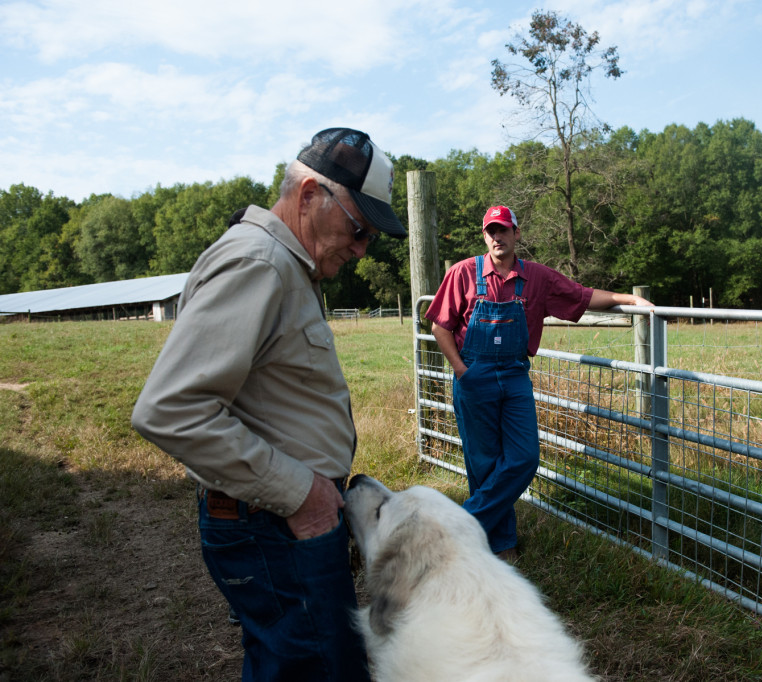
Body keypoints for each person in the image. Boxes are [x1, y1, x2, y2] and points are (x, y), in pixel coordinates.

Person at [131, 127, 406, 681]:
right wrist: (302, 494)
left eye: (370, 237)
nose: (360, 249)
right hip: (276, 524)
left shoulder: (283, 264)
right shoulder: (261, 262)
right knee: (320, 670)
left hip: (281, 522)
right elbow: (169, 409)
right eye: (358, 228)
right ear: (309, 196)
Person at [425, 205, 654, 562]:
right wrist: (460, 370)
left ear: (517, 234)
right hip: (475, 375)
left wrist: (630, 299)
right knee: (483, 462)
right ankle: (502, 548)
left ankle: (458, 530)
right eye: (491, 231)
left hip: (515, 376)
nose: (497, 237)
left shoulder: (539, 278)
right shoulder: (463, 273)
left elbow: (582, 296)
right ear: (485, 236)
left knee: (524, 458)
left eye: (504, 230)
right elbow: (440, 325)